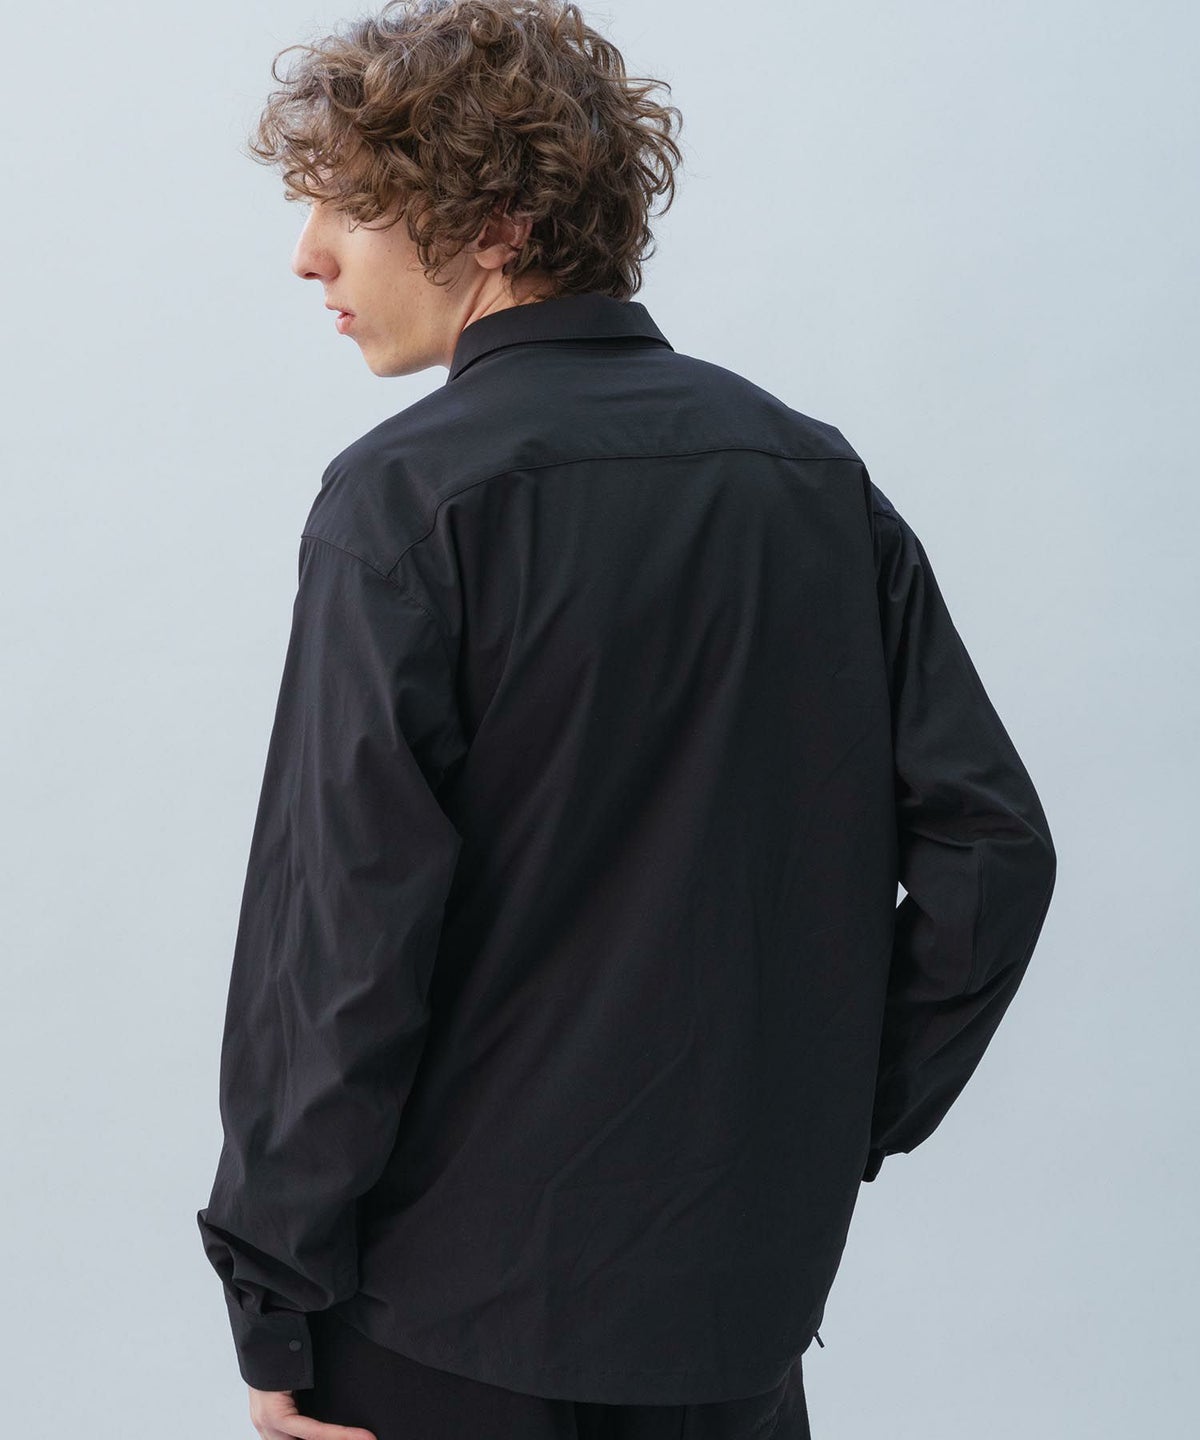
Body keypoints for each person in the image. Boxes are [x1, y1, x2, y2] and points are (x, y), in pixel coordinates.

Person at [195, 2, 1058, 1437]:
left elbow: (341, 941)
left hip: (444, 1328)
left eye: (353, 207)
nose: (308, 253)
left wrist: (271, 1292)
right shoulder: (812, 482)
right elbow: (994, 854)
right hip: (731, 1325)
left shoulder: (403, 502)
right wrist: (824, 1116)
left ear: (500, 225)